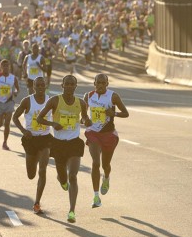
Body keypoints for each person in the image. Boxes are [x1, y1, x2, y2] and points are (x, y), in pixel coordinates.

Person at [36, 75, 91, 223]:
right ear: (62, 85)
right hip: (58, 144)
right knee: (63, 177)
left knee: (73, 176)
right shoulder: (54, 101)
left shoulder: (80, 103)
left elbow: (84, 118)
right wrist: (53, 124)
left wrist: (87, 120)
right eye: (66, 84)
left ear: (75, 86)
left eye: (72, 84)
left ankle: (72, 211)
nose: (69, 86)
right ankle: (62, 180)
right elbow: (40, 118)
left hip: (74, 143)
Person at [83, 74, 129, 208]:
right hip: (93, 134)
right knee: (96, 163)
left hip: (108, 135)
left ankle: (107, 177)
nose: (100, 85)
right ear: (94, 83)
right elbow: (84, 115)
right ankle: (96, 197)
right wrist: (85, 120)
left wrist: (113, 113)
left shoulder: (113, 96)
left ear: (107, 84)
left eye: (103, 83)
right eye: (98, 83)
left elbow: (125, 113)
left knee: (105, 165)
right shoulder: (88, 96)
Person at [12, 76, 52, 214]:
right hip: (30, 139)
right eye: (38, 86)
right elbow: (15, 117)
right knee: (31, 174)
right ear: (34, 87)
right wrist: (23, 131)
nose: (40, 88)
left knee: (43, 170)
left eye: (43, 85)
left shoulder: (50, 101)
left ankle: (37, 203)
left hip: (45, 138)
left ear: (46, 86)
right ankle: (34, 161)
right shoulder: (27, 101)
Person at [0, 59, 20, 150]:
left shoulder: (13, 78)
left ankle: (5, 142)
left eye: (7, 66)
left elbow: (17, 89)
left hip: (9, 102)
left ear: (9, 67)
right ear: (1, 67)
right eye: (4, 66)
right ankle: (1, 118)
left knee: (7, 123)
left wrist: (15, 92)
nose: (6, 67)